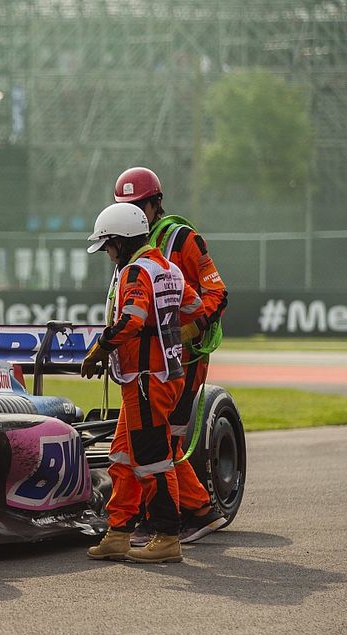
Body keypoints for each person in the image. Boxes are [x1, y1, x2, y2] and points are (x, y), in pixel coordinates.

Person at [113, 167, 229, 545]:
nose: (132, 212)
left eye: (137, 205)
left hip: (182, 358)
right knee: (142, 442)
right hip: (147, 363)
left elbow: (217, 293)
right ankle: (195, 510)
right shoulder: (129, 246)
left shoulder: (183, 238)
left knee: (159, 442)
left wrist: (188, 330)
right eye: (125, 206)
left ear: (155, 204)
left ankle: (169, 518)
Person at [81, 203, 203, 564]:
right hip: (158, 377)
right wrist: (171, 337)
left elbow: (132, 320)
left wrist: (100, 349)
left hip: (148, 380)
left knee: (152, 460)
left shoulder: (136, 272)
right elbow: (197, 313)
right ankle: (119, 532)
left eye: (108, 246)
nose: (108, 253)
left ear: (120, 241)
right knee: (121, 454)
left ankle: (167, 537)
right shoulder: (169, 269)